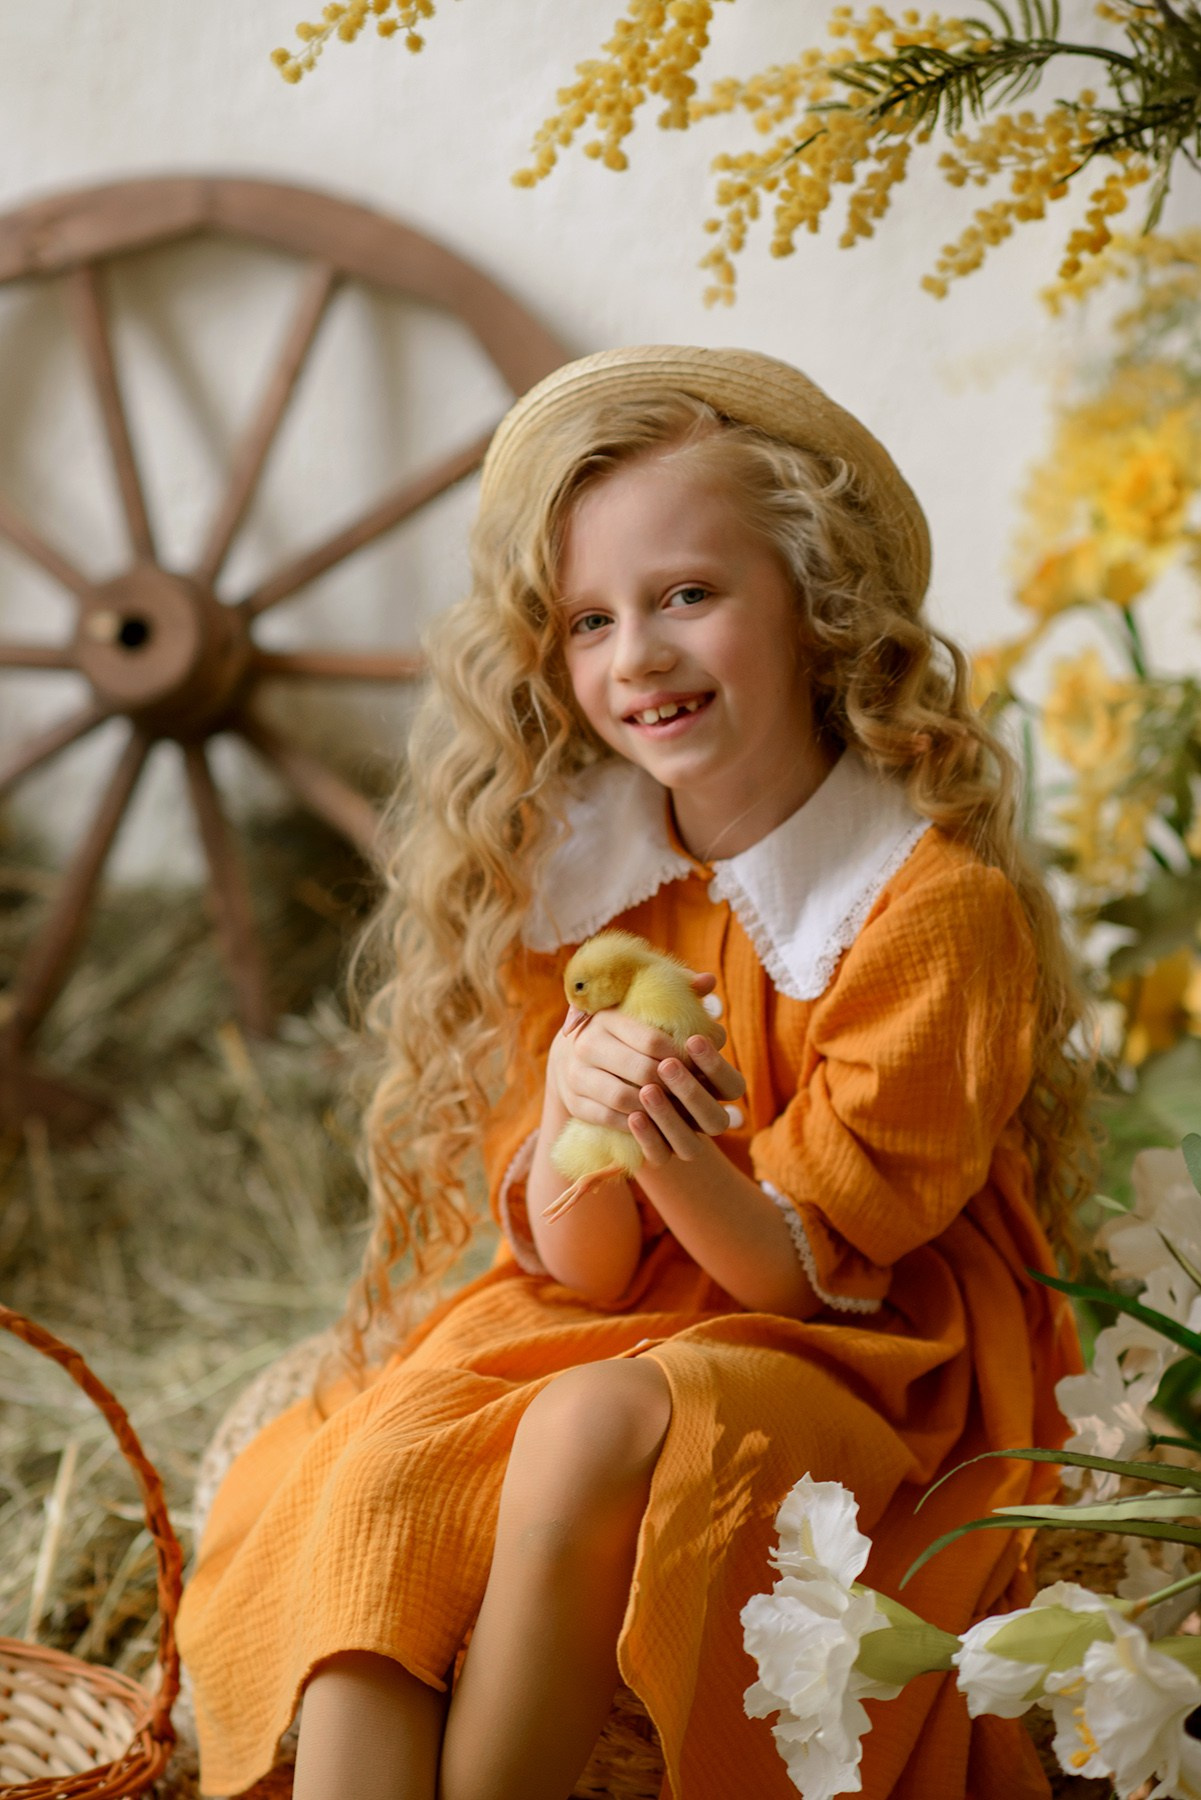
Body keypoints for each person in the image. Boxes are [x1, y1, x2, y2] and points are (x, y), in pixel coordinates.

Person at [176, 345, 1094, 1800]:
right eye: (589, 620)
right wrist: (572, 1125)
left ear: (815, 604)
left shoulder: (924, 909)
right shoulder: (589, 879)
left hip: (863, 1345)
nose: (636, 660)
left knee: (591, 1421)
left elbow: (794, 1279)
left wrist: (665, 1142)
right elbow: (592, 1275)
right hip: (624, 1306)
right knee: (382, 1465)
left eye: (686, 596)